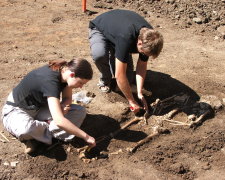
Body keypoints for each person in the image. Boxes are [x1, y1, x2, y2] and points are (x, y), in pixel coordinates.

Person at [1, 58, 96, 154]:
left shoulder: (64, 73)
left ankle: (39, 136)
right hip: (16, 110)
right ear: (72, 75)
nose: (81, 87)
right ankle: (45, 133)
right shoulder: (50, 81)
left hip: (40, 107)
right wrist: (86, 137)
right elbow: (59, 121)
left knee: (79, 111)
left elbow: (67, 97)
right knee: (26, 129)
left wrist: (63, 105)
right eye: (80, 83)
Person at [89, 9, 164, 114]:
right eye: (143, 53)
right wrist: (131, 101)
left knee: (127, 82)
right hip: (101, 28)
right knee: (99, 54)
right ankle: (105, 80)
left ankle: (115, 54)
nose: (144, 56)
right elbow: (119, 75)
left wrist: (139, 92)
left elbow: (142, 65)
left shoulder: (150, 38)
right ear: (139, 43)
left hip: (119, 32)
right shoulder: (126, 38)